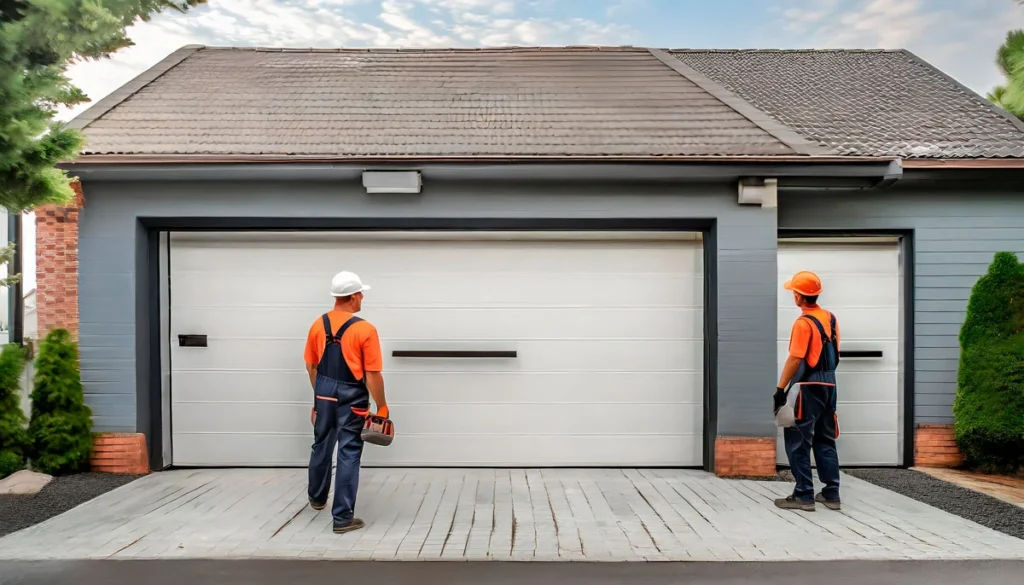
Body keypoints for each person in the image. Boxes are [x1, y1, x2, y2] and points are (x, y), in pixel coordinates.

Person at [304, 270, 388, 533]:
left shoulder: (318, 324)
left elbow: (311, 366)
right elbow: (372, 374)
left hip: (324, 390)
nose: (362, 297)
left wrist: (319, 399)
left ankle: (317, 499)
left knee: (321, 444)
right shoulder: (365, 329)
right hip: (352, 395)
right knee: (349, 452)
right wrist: (382, 406)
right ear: (353, 297)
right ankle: (342, 518)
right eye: (361, 293)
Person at [775, 270, 841, 512]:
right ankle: (832, 494)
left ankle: (804, 494)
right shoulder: (831, 319)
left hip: (808, 388)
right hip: (830, 385)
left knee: (798, 441)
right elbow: (837, 353)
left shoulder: (803, 323)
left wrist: (780, 389)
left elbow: (795, 359)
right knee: (825, 438)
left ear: (798, 296)